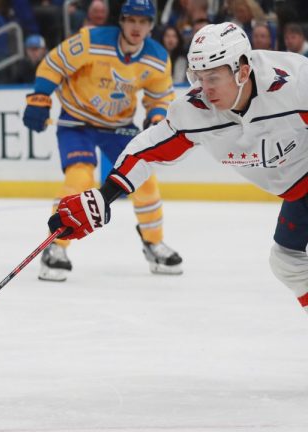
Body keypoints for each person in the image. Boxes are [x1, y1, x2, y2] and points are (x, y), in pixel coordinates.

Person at [48, 21, 308, 325]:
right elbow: (147, 149)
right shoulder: (196, 111)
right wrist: (103, 197)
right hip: (298, 189)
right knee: (286, 262)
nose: (205, 89)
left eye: (213, 77)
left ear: (243, 70)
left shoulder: (297, 84)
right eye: (198, 77)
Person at [23, 0, 183, 282]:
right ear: (121, 20)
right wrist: (40, 97)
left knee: (144, 178)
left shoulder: (157, 57)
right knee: (80, 179)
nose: (137, 27)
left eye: (143, 22)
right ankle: (55, 247)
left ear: (151, 25)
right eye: (131, 20)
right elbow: (53, 64)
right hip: (77, 122)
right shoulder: (91, 41)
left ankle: (153, 242)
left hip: (118, 127)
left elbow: (160, 95)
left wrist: (156, 117)